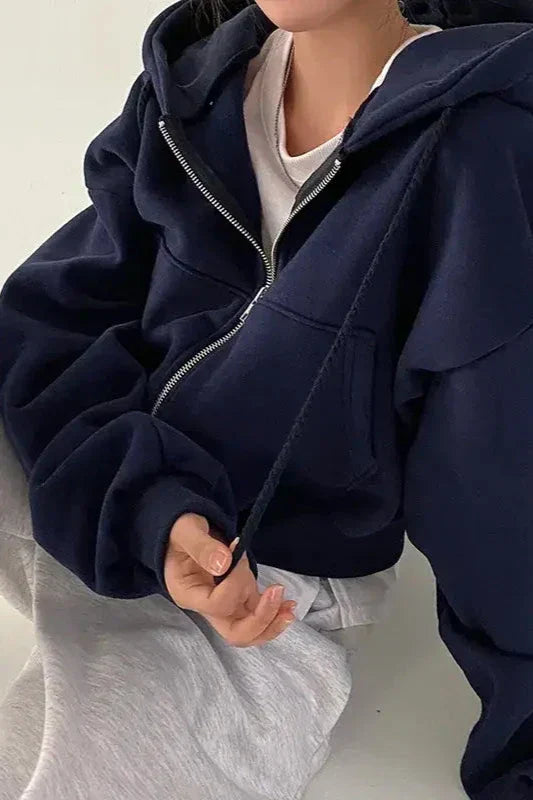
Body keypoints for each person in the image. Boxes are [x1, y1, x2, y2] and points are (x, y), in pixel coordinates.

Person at [1, 0, 533, 797]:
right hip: (106, 484)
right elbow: (61, 319)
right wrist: (145, 504)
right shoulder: (194, 88)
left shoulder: (478, 149)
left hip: (264, 589)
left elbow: (495, 482)